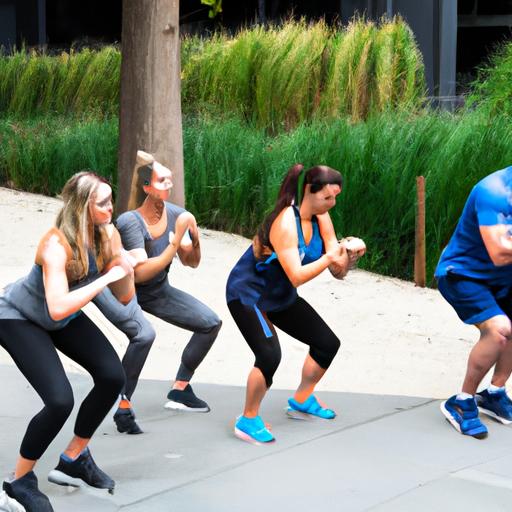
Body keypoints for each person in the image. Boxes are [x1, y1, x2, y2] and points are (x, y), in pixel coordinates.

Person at [0, 172, 140, 511]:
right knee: (60, 399)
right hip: (19, 317)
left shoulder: (107, 235)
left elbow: (125, 297)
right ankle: (17, 483)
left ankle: (74, 456)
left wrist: (125, 264)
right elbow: (57, 305)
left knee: (112, 376)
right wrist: (107, 275)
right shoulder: (55, 244)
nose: (112, 208)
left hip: (62, 317)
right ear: (83, 207)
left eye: (111, 200)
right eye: (103, 203)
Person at [226, 163, 366, 445]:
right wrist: (331, 257)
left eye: (335, 197)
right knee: (268, 355)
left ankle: (302, 399)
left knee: (327, 343)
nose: (332, 203)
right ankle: (248, 419)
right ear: (309, 192)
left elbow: (336, 271)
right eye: (328, 197)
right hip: (248, 294)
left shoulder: (321, 218)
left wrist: (349, 258)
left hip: (280, 297)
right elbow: (297, 275)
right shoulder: (286, 224)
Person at [114, 150, 222, 420]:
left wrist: (194, 239)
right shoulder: (130, 221)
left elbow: (191, 262)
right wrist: (174, 243)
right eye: (162, 181)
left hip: (158, 291)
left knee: (210, 322)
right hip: (125, 292)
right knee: (143, 336)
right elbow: (140, 274)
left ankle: (180, 389)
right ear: (147, 188)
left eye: (170, 180)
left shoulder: (178, 215)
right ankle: (122, 402)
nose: (169, 186)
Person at [437, 166, 512, 439]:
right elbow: (500, 251)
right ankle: (462, 401)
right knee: (499, 329)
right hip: (463, 274)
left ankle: (494, 394)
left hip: (504, 277)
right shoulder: (494, 191)